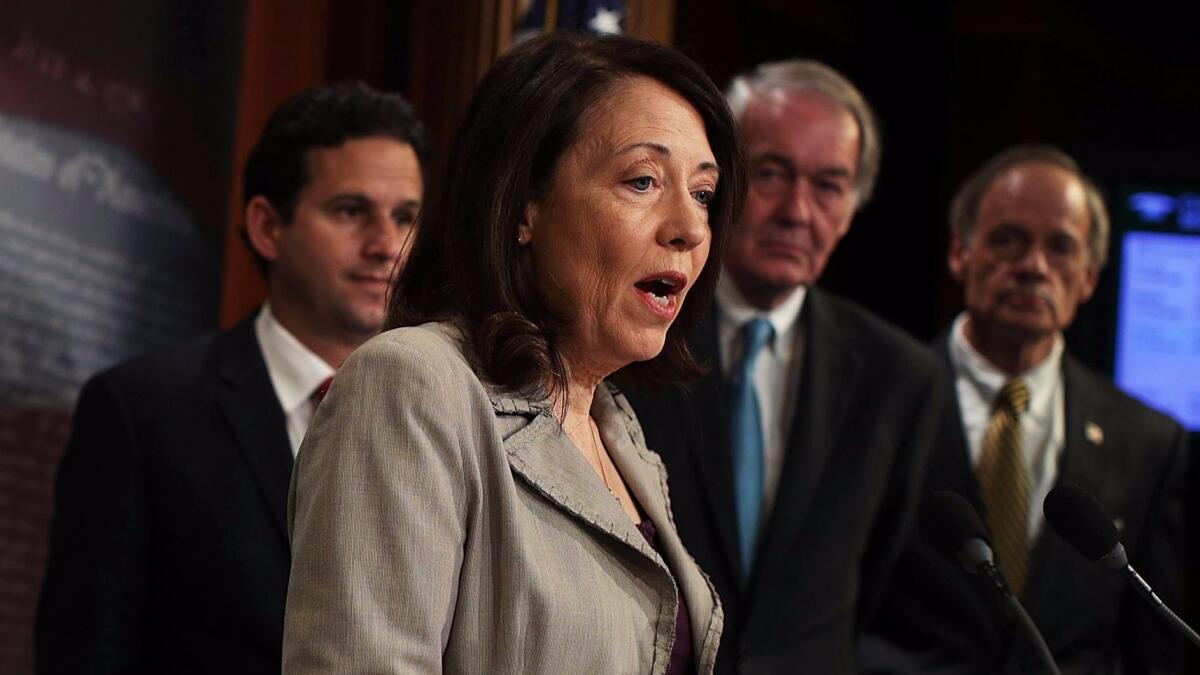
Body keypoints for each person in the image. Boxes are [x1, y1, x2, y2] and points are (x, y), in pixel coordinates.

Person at [282, 33, 744, 674]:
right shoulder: (414, 386)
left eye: (701, 194)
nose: (692, 228)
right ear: (522, 206)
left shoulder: (622, 435)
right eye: (643, 181)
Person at [35, 82, 429, 674]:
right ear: (268, 226)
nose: (386, 245)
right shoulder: (143, 411)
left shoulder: (447, 418)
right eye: (351, 211)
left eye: (405, 217)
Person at [623, 60, 943, 673]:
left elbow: (883, 589)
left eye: (828, 185)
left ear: (851, 208)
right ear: (718, 186)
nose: (798, 211)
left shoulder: (898, 376)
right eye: (772, 175)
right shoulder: (640, 333)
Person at [865, 145, 1188, 673]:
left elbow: (1152, 647)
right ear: (959, 253)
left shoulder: (1149, 440)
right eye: (1008, 240)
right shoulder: (879, 399)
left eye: (1061, 247)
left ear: (1088, 277)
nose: (1033, 267)